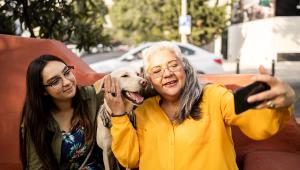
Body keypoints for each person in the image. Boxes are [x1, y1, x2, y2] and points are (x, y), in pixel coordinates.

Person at [103, 42, 296, 170]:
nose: (167, 73)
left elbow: (260, 127)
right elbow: (130, 158)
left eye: (173, 65)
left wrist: (279, 104)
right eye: (157, 70)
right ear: (149, 80)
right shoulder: (144, 110)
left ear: (184, 68)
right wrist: (119, 115)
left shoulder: (214, 96)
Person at [20, 55, 106, 169]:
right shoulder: (35, 121)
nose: (66, 82)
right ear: (43, 91)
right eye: (55, 81)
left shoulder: (92, 96)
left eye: (66, 72)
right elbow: (36, 167)